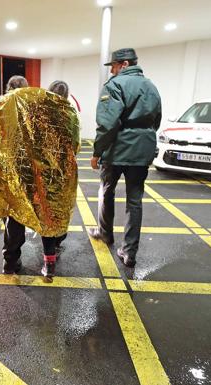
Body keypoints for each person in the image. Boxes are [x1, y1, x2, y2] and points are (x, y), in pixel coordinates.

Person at [0, 85, 80, 281]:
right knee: (50, 216)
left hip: (20, 172)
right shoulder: (69, 112)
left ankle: (10, 262)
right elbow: (75, 145)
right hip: (54, 175)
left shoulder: (29, 108)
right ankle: (49, 264)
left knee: (15, 213)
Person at [88, 48, 162, 267]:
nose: (112, 70)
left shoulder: (115, 85)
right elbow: (156, 120)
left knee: (106, 191)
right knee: (134, 200)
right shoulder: (151, 86)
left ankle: (105, 233)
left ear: (125, 64)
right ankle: (129, 252)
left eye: (114, 65)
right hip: (142, 150)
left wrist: (97, 151)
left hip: (117, 149)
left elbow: (107, 124)